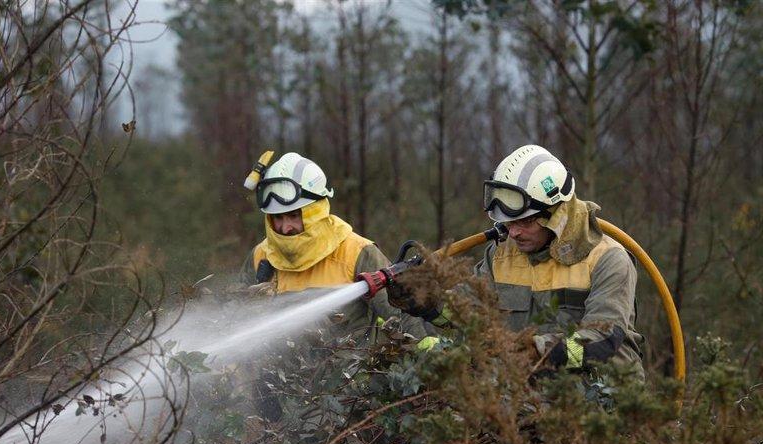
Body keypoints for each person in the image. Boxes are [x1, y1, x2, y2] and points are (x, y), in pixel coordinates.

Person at [392, 145, 645, 381]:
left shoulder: (608, 259)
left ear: (556, 214)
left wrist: (531, 352)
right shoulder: (502, 255)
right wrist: (428, 302)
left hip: (603, 405)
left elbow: (601, 341)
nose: (513, 233)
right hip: (527, 399)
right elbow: (467, 314)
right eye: (509, 223)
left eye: (525, 222)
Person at [239, 151, 430, 344]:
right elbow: (235, 321)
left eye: (294, 216)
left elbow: (404, 318)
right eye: (277, 218)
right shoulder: (260, 256)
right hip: (272, 375)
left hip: (348, 373)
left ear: (315, 212)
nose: (285, 227)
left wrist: (431, 362)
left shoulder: (357, 253)